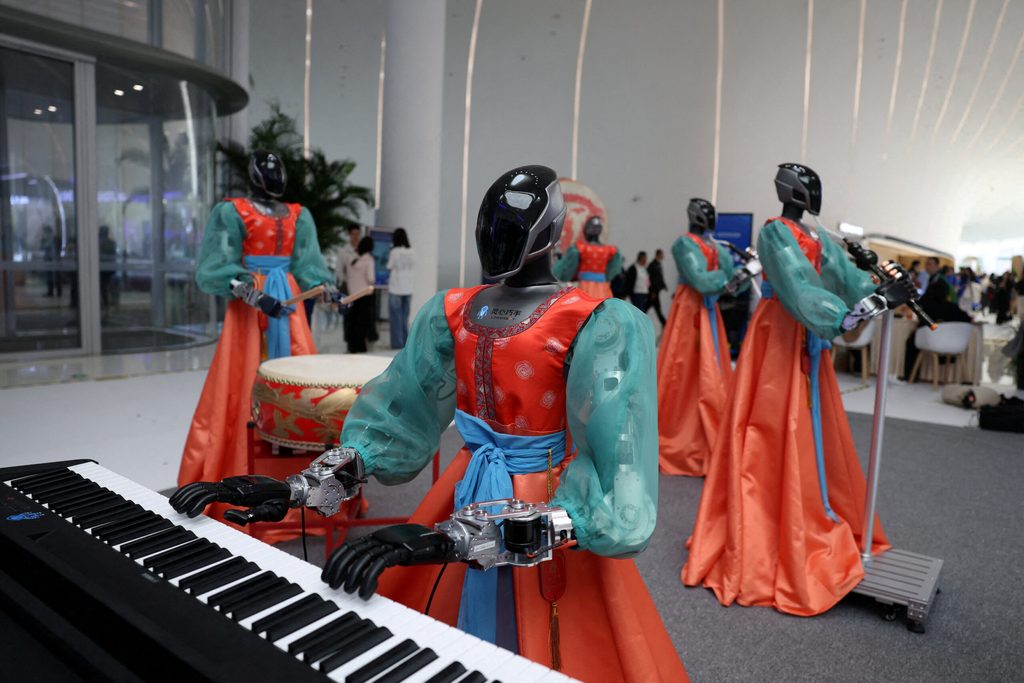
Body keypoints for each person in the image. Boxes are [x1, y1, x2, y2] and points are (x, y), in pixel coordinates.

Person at [169, 165, 687, 681]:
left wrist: (466, 538)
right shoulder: (454, 311)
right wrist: (302, 486)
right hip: (465, 487)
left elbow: (621, 467)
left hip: (548, 504)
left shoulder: (597, 321)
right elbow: (401, 411)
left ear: (550, 231)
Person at [684, 163, 916, 616]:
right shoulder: (774, 233)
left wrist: (881, 288)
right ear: (791, 190)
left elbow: (845, 278)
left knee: (811, 428)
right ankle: (769, 527)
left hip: (808, 338)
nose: (814, 193)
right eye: (808, 185)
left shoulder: (821, 237)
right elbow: (796, 283)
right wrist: (849, 312)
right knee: (771, 426)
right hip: (780, 335)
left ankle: (809, 508)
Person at [178, 150, 339, 525]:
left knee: (298, 378)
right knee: (244, 377)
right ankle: (239, 466)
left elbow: (309, 262)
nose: (274, 177)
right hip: (250, 307)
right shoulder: (232, 211)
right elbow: (215, 265)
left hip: (288, 302)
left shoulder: (299, 214)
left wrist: (325, 289)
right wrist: (252, 292)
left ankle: (298, 469)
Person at [657, 198, 743, 477]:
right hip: (691, 310)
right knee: (682, 371)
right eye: (706, 213)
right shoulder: (684, 244)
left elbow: (725, 281)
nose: (710, 217)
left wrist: (723, 273)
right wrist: (724, 275)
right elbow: (701, 279)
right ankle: (678, 435)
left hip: (707, 311)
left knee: (709, 370)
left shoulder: (713, 246)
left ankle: (707, 434)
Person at [901, 256, 970, 380]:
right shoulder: (935, 280)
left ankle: (909, 376)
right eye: (926, 264)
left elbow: (934, 305)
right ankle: (911, 376)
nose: (928, 266)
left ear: (937, 266)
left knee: (912, 341)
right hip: (943, 327)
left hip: (936, 325)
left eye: (931, 264)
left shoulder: (939, 282)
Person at [551, 215, 622, 299]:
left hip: (584, 286)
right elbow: (612, 271)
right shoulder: (609, 250)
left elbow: (569, 270)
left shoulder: (580, 248)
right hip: (603, 288)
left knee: (584, 305)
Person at [344, 235, 376, 353]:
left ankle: (351, 347)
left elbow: (347, 276)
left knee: (352, 322)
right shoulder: (369, 260)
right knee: (362, 324)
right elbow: (371, 278)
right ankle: (361, 348)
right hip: (364, 296)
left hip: (352, 296)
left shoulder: (351, 259)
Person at [386, 227, 415, 349]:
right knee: (404, 319)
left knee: (395, 319)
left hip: (395, 289)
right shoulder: (412, 251)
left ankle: (396, 346)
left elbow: (389, 266)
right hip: (408, 289)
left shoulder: (394, 252)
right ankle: (405, 345)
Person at [648, 248, 668, 326]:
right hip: (653, 291)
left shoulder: (658, 265)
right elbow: (651, 279)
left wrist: (664, 285)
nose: (663, 256)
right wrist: (652, 291)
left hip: (656, 291)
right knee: (655, 307)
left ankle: (664, 323)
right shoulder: (652, 265)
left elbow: (660, 277)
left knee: (652, 307)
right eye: (662, 254)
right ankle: (665, 323)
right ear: (658, 254)